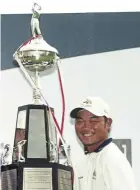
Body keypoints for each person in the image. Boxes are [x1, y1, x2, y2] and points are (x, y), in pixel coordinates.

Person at [70, 96, 137, 190]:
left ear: (108, 124)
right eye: (80, 121)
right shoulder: (81, 164)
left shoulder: (112, 159)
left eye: (93, 120)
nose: (86, 127)